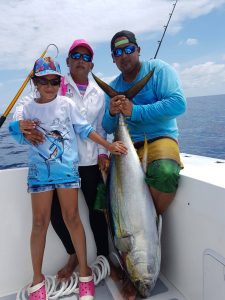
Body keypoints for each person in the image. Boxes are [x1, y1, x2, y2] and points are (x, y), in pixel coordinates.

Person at [9, 56, 127, 300]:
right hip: (39, 173)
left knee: (72, 218)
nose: (49, 86)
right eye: (44, 81)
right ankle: (37, 279)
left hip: (66, 171)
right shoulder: (27, 106)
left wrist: (108, 145)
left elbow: (85, 129)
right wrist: (22, 128)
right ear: (35, 82)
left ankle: (84, 274)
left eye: (54, 81)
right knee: (39, 223)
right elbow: (15, 130)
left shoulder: (66, 104)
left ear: (60, 82)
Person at [102, 30, 186, 216]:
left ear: (138, 50)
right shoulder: (113, 87)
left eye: (129, 49)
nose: (123, 55)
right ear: (113, 58)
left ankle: (148, 221)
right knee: (103, 195)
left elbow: (178, 104)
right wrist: (111, 112)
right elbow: (107, 127)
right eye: (118, 53)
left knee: (165, 172)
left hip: (160, 139)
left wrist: (135, 111)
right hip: (126, 146)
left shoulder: (158, 69)